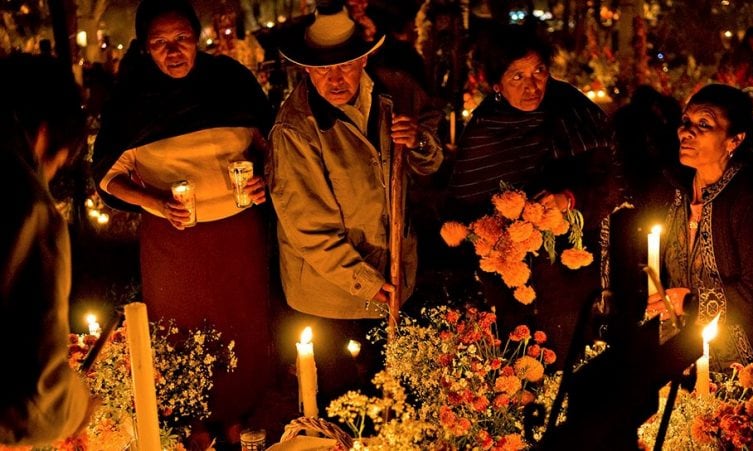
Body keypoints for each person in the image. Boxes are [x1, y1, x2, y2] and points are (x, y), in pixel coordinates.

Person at [91, 0, 275, 447]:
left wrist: (267, 181)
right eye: (159, 44)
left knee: (244, 323)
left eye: (182, 40)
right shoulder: (132, 99)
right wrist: (152, 202)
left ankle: (240, 415)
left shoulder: (232, 81)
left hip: (237, 234)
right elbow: (107, 176)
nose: (173, 52)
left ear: (198, 38)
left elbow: (274, 144)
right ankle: (193, 418)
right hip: (174, 243)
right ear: (144, 49)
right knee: (181, 327)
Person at [268, 0, 443, 403]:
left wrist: (416, 140)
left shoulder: (395, 93)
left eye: (345, 64)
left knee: (396, 406)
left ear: (364, 59)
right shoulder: (295, 129)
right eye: (322, 69)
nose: (335, 79)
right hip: (332, 298)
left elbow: (431, 163)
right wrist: (369, 283)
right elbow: (310, 229)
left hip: (397, 275)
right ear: (306, 69)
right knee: (340, 408)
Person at [446, 24, 623, 368]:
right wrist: (490, 233)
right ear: (496, 84)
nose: (532, 86)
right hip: (508, 285)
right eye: (517, 77)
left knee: (572, 368)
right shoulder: (485, 128)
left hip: (573, 278)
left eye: (539, 71)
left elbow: (614, 180)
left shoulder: (571, 110)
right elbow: (464, 203)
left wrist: (567, 200)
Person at [1, 54, 96, 445]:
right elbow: (36, 407)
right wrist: (78, 405)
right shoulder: (25, 206)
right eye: (54, 166)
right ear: (43, 135)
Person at [646, 84, 753, 368]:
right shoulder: (674, 191)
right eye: (686, 121)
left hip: (739, 363)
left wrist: (691, 302)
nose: (687, 132)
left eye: (704, 124)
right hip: (677, 354)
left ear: (734, 140)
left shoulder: (750, 201)